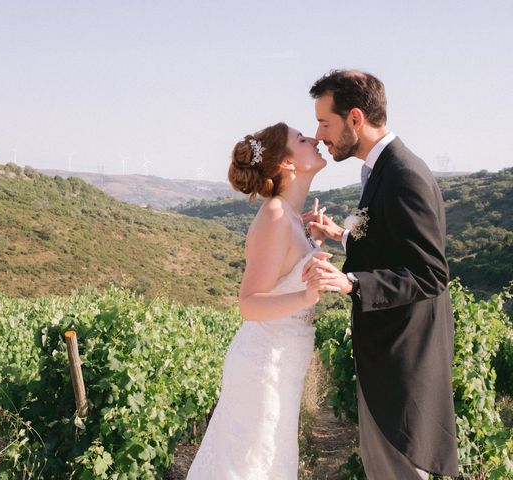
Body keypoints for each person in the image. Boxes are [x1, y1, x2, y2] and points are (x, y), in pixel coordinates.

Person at [303, 70, 459, 479]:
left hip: (403, 357)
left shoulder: (405, 175)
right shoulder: (380, 169)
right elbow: (389, 241)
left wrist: (351, 282)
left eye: (325, 122)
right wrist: (340, 234)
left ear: (355, 118)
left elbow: (430, 273)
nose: (319, 134)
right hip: (387, 351)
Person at [187, 122, 336, 479]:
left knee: (267, 461)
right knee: (251, 465)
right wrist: (307, 294)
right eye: (302, 140)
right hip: (263, 369)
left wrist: (311, 245)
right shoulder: (275, 215)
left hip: (281, 366)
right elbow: (250, 304)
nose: (314, 139)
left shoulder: (289, 217)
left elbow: (281, 275)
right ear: (287, 163)